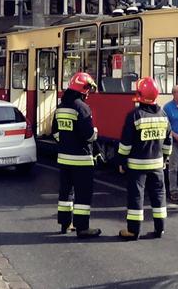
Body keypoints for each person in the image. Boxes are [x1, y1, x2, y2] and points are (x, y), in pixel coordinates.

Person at [117, 77, 172, 241]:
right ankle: (160, 228)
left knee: (136, 197)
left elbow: (125, 143)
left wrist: (121, 161)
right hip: (157, 165)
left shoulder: (134, 115)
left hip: (136, 166)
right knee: (159, 195)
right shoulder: (163, 115)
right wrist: (165, 158)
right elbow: (168, 142)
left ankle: (133, 231)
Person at [51, 72, 102, 239]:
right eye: (87, 89)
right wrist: (95, 133)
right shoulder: (82, 107)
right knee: (83, 194)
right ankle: (82, 228)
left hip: (64, 158)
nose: (88, 93)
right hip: (82, 160)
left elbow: (55, 132)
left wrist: (66, 143)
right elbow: (88, 136)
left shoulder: (61, 107)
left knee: (66, 193)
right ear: (82, 89)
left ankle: (65, 224)